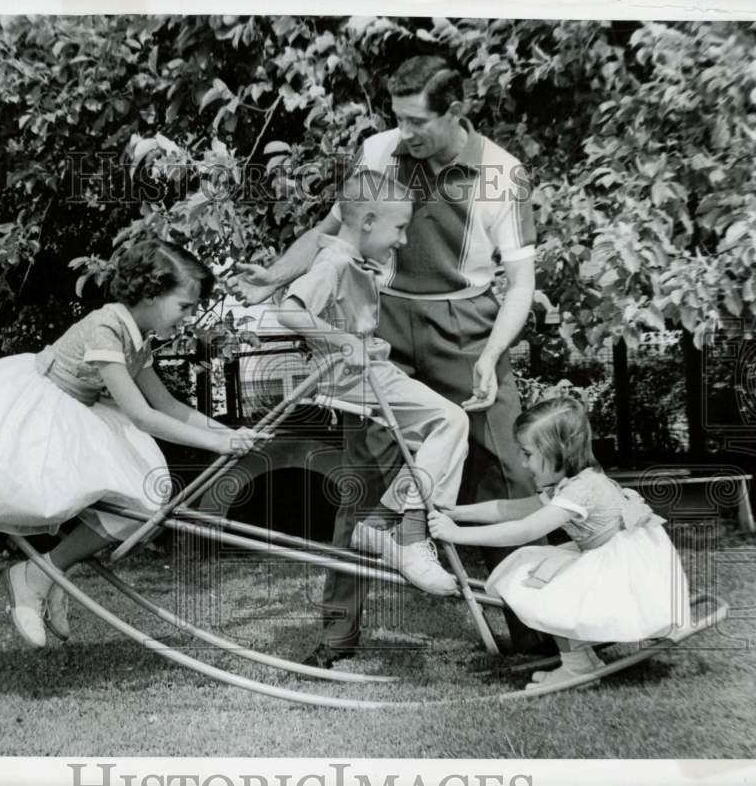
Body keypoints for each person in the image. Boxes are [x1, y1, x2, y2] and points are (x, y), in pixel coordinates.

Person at [232, 55, 547, 665]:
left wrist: (491, 355)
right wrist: (275, 275)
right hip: (379, 324)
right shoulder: (379, 151)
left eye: (416, 121)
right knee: (365, 479)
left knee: (506, 472)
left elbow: (522, 281)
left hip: (467, 327)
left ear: (455, 111)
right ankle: (336, 637)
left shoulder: (502, 173)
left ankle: (533, 638)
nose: (404, 132)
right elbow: (333, 231)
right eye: (397, 118)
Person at [0, 239, 269, 648]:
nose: (189, 317)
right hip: (44, 414)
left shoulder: (136, 337)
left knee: (142, 503)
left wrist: (226, 434)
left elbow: (167, 404)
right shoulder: (107, 327)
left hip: (80, 415)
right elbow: (143, 415)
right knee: (111, 499)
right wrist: (217, 444)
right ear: (150, 294)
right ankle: (38, 577)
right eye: (184, 306)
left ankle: (46, 576)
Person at [277, 170, 470, 595]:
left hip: (367, 374)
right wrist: (345, 341)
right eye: (399, 227)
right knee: (450, 422)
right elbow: (290, 311)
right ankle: (411, 537)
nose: (402, 240)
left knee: (441, 437)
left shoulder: (352, 261)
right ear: (367, 222)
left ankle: (382, 525)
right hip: (356, 377)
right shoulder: (334, 261)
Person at [428, 396, 692, 689]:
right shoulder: (572, 483)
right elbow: (510, 509)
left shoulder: (581, 491)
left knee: (549, 588)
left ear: (559, 451)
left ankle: (577, 666)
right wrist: (458, 512)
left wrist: (456, 534)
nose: (523, 463)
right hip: (607, 553)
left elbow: (523, 530)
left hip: (620, 563)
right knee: (545, 579)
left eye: (528, 454)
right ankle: (581, 662)